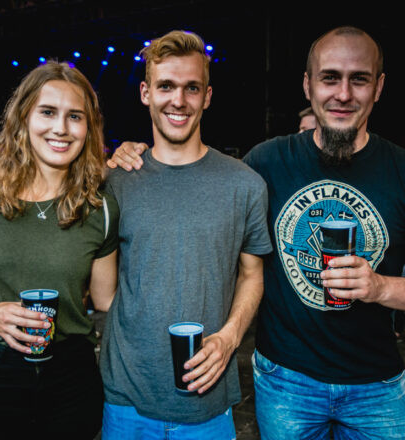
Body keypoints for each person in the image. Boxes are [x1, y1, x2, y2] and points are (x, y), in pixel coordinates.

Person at [108, 26, 405, 439]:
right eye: (329, 78)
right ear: (308, 85)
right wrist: (123, 154)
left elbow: (249, 268)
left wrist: (379, 287)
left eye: (358, 79)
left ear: (378, 87)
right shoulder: (265, 163)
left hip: (377, 386)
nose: (343, 93)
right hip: (286, 382)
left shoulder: (403, 171)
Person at [100, 30, 271, 439]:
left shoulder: (245, 185)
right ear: (145, 93)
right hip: (126, 401)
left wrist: (230, 339)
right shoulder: (116, 180)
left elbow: (252, 275)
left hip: (208, 405)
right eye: (166, 86)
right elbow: (101, 290)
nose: (178, 101)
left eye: (191, 88)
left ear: (207, 96)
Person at [0, 61, 119, 439]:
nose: (61, 128)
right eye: (48, 112)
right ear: (23, 117)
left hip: (69, 381)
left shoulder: (99, 207)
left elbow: (107, 300)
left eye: (75, 116)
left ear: (89, 128)